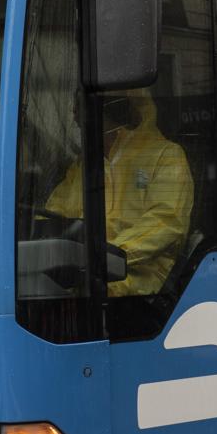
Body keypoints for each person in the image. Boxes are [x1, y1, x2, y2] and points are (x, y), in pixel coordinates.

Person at [46, 89, 194, 297]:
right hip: (83, 282)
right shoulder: (83, 167)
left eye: (80, 105)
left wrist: (106, 257)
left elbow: (166, 222)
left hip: (139, 292)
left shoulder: (166, 156)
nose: (74, 114)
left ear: (107, 111)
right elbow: (52, 215)